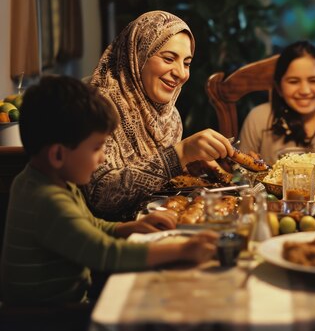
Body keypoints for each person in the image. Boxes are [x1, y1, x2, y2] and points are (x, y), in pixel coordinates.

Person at [0, 76, 219, 305]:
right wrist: (181, 250)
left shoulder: (42, 180)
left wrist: (128, 228)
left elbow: (89, 225)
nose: (103, 157)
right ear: (57, 155)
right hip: (49, 319)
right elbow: (105, 254)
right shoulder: (48, 200)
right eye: (96, 148)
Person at [83, 11, 234, 221]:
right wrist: (178, 155)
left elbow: (154, 184)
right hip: (108, 240)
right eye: (169, 59)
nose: (181, 73)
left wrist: (188, 166)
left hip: (158, 229)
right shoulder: (94, 107)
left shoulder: (170, 117)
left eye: (187, 63)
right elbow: (100, 195)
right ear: (138, 55)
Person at [239, 40, 315, 164]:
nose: (304, 90)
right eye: (293, 81)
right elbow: (241, 171)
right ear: (279, 88)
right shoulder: (258, 118)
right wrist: (248, 166)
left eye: (313, 81)